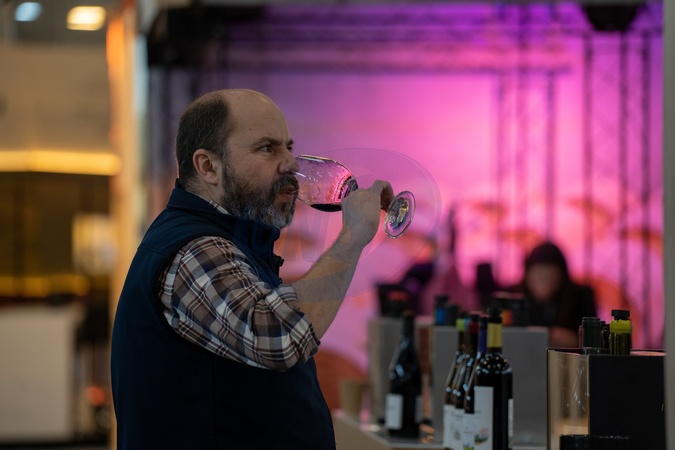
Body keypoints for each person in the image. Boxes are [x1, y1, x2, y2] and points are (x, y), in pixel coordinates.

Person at [110, 89, 394, 449]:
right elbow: (281, 337)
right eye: (267, 149)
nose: (290, 164)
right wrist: (352, 237)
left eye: (288, 147)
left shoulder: (233, 242)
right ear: (208, 167)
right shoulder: (195, 249)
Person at [512, 241, 597, 348]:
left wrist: (576, 339)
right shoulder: (514, 297)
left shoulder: (581, 297)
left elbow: (594, 341)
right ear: (527, 274)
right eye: (539, 275)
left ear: (562, 276)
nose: (544, 283)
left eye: (550, 277)